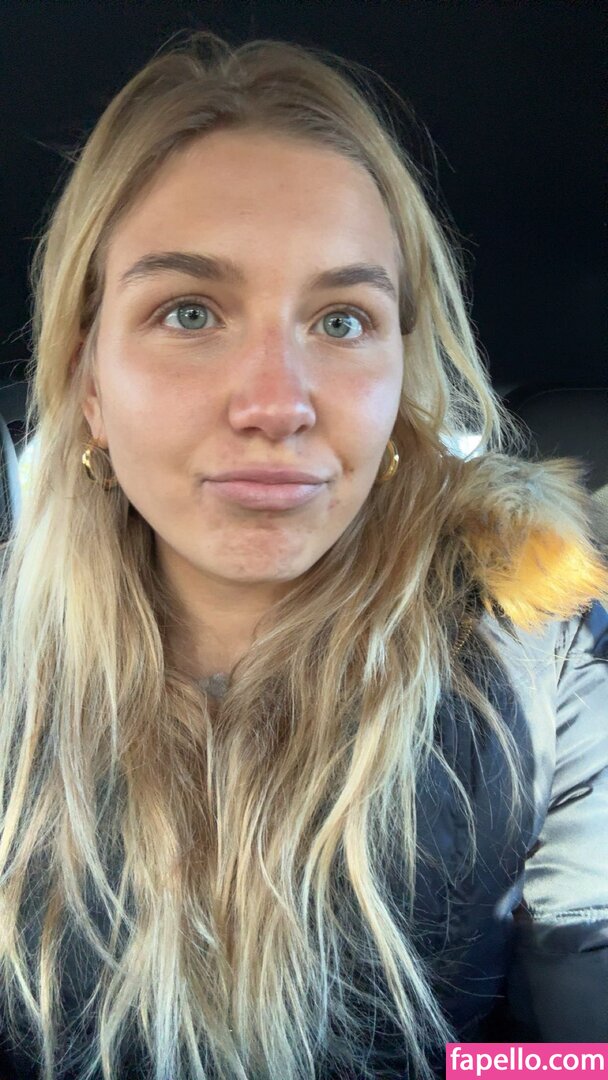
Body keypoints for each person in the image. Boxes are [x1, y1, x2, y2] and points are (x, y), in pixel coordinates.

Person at [0, 29, 606, 1080]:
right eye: (189, 312)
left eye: (341, 320)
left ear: (400, 377)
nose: (276, 404)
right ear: (88, 383)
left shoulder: (541, 653)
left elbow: (582, 1034)